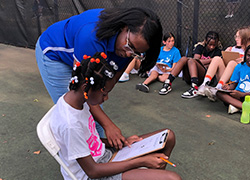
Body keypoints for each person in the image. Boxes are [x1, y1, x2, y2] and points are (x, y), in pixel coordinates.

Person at [35, 8, 163, 149]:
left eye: (136, 53)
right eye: (130, 46)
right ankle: (79, 162)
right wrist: (109, 125)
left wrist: (103, 95)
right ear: (124, 28)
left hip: (86, 54)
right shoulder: (91, 36)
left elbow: (107, 84)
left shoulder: (128, 49)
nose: (128, 54)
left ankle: (100, 153)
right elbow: (82, 90)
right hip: (55, 54)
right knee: (74, 111)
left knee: (94, 113)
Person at [50, 52, 181, 180]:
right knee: (173, 178)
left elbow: (89, 141)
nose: (106, 98)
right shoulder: (70, 125)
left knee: (168, 137)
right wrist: (141, 162)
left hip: (106, 156)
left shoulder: (77, 100)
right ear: (86, 88)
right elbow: (93, 171)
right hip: (94, 173)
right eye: (104, 93)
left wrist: (120, 143)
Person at [197, 26, 250, 101]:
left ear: (245, 38)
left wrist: (244, 61)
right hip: (224, 78)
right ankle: (204, 85)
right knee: (216, 59)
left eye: (238, 37)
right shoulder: (232, 48)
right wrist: (226, 54)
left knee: (232, 63)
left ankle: (217, 89)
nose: (236, 39)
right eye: (236, 36)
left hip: (237, 81)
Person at [158, 31, 222, 98]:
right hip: (190, 76)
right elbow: (196, 60)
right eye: (210, 44)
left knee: (191, 60)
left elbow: (201, 63)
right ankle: (168, 83)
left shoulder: (218, 51)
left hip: (202, 78)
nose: (211, 47)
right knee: (184, 59)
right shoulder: (200, 47)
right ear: (206, 41)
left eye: (214, 45)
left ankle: (194, 87)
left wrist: (202, 62)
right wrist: (211, 60)